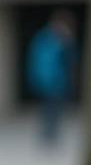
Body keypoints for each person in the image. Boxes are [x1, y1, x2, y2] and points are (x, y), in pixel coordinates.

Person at [26, 10, 78, 145]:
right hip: (51, 80)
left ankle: (51, 133)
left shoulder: (53, 39)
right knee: (50, 107)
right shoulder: (49, 39)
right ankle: (49, 134)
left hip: (56, 80)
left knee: (53, 107)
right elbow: (44, 61)